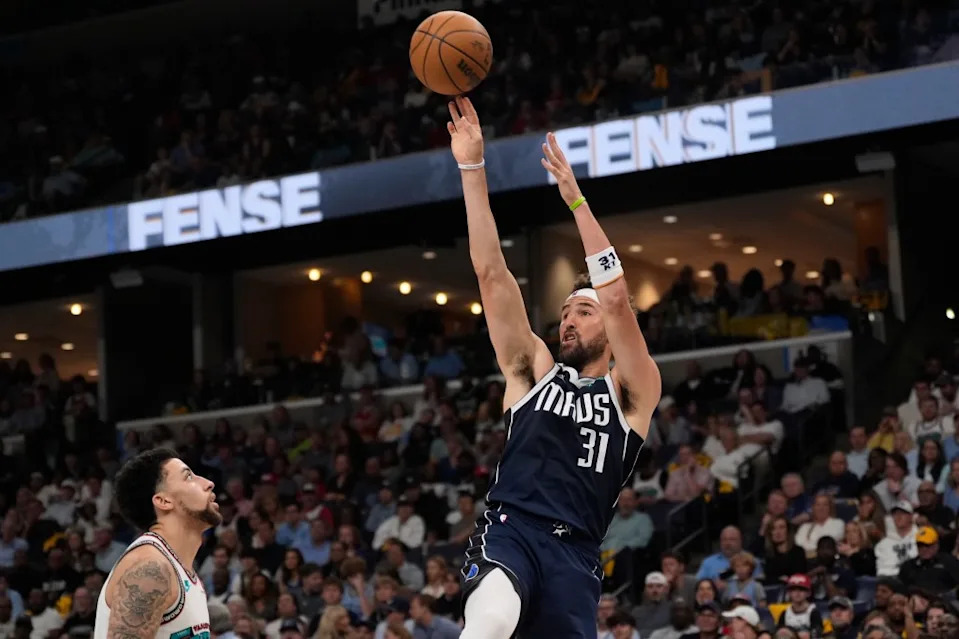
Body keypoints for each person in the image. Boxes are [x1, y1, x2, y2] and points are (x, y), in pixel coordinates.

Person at [447, 97, 660, 639]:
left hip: (576, 556)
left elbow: (616, 302)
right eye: (565, 312)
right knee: (491, 619)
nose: (568, 321)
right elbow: (491, 274)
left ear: (608, 331)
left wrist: (577, 202)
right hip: (511, 530)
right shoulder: (535, 371)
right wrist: (472, 168)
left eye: (581, 312)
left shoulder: (634, 391)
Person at [93, 449, 222, 639]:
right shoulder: (150, 567)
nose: (208, 483)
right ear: (163, 501)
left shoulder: (179, 569)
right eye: (188, 477)